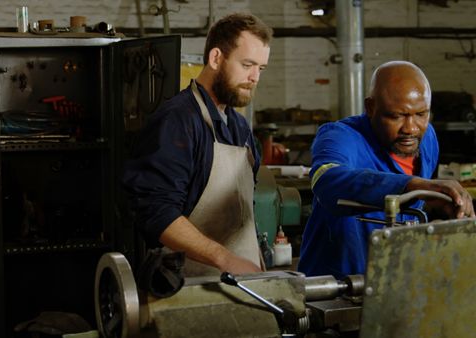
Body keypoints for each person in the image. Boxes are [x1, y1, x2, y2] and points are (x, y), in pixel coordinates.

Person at [122, 13, 273, 277]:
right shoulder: (177, 121)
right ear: (216, 58)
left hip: (243, 282)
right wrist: (224, 259)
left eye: (260, 68)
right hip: (188, 287)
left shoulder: (239, 128)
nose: (255, 77)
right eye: (247, 64)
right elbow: (156, 212)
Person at [297, 61, 475, 279]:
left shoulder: (427, 139)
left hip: (397, 280)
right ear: (371, 108)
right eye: (397, 116)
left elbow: (415, 210)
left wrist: (440, 205)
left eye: (421, 114)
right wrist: (412, 185)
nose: (410, 128)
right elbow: (327, 180)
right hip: (336, 286)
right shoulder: (341, 136)